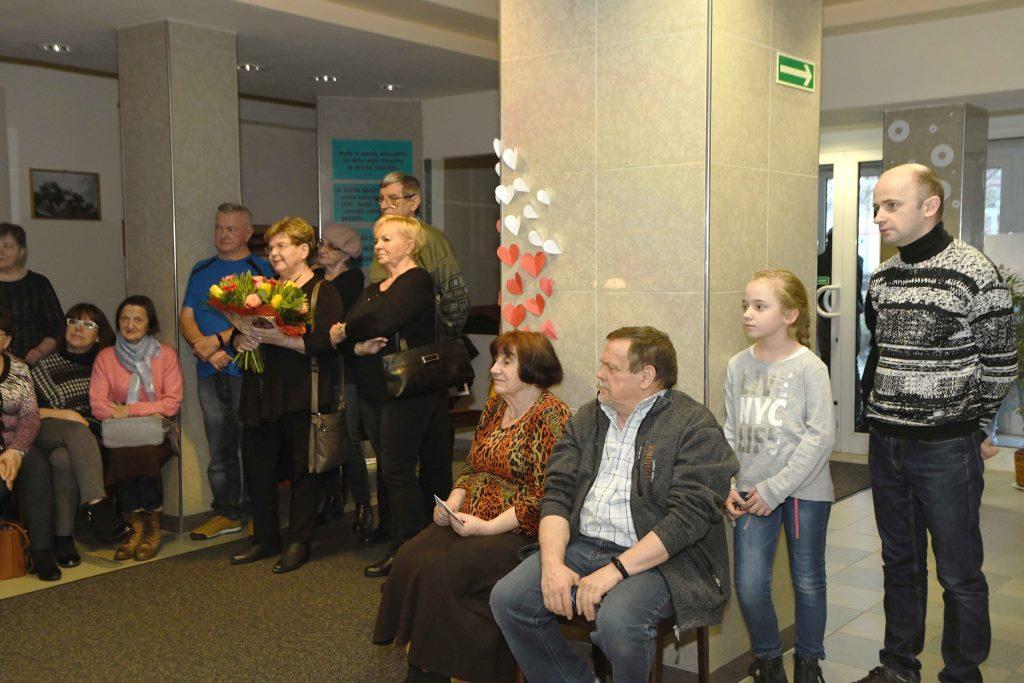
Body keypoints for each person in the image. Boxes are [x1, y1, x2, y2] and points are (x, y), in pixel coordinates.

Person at [491, 326, 739, 682]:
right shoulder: (588, 417)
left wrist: (615, 571)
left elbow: (686, 520)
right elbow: (557, 493)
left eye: (611, 367)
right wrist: (552, 564)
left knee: (619, 622)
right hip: (583, 543)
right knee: (509, 599)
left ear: (646, 376)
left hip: (660, 558)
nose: (599, 374)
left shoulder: (693, 425)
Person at [856, 164, 1016, 683]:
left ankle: (962, 674)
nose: (878, 217)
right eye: (876, 206)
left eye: (891, 205)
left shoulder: (974, 272)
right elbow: (879, 354)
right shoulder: (883, 278)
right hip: (887, 444)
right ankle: (898, 667)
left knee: (958, 572)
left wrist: (975, 426)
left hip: (946, 448)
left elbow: (1000, 363)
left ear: (930, 207)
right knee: (899, 563)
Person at [373, 331, 571, 683]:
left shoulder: (552, 415)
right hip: (470, 517)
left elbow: (544, 496)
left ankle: (434, 672)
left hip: (517, 530)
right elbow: (472, 468)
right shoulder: (495, 407)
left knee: (444, 570)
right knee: (410, 555)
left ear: (533, 369)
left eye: (506, 362)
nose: (493, 369)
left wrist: (486, 527)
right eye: (496, 360)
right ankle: (425, 664)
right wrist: (451, 504)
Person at [724, 270, 835, 683]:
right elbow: (731, 429)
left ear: (790, 315)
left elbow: (820, 437)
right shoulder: (737, 365)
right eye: (745, 306)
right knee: (750, 584)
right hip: (749, 491)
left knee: (808, 580)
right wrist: (728, 484)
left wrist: (776, 489)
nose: (747, 314)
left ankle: (808, 662)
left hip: (804, 492)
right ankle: (769, 661)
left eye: (759, 306)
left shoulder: (810, 368)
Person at [330, 215, 451, 578]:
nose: (378, 245)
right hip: (373, 390)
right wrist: (356, 345)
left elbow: (380, 322)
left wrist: (345, 330)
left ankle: (409, 551)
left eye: (387, 239)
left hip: (407, 391)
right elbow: (347, 339)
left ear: (410, 245)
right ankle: (400, 537)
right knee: (388, 468)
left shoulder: (417, 281)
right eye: (377, 239)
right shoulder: (374, 288)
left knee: (398, 469)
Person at [358, 172, 470, 546]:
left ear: (414, 201)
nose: (385, 205)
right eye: (381, 199)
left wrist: (437, 348)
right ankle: (394, 527)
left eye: (392, 199)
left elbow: (456, 299)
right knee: (393, 456)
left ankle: (434, 534)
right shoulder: (382, 243)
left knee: (432, 453)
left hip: (421, 366)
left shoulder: (431, 241)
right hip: (385, 366)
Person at [229, 217, 342, 574]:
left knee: (303, 470)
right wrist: (239, 338)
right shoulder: (262, 290)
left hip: (302, 393)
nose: (273, 253)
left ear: (304, 249)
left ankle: (298, 541)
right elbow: (242, 332)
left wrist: (286, 340)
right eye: (270, 247)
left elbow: (326, 342)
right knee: (258, 466)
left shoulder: (323, 291)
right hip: (261, 392)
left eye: (282, 246)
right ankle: (264, 537)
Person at [179, 203, 273, 541]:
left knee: (252, 443)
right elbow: (186, 316)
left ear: (247, 233)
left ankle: (257, 512)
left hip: (246, 371)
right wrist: (202, 346)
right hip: (208, 370)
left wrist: (219, 343)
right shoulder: (201, 268)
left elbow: (264, 319)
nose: (222, 234)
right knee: (219, 445)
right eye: (219, 227)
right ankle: (227, 511)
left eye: (230, 229)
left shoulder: (261, 269)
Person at [32, 304, 131, 568]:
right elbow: (32, 410)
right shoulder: (45, 364)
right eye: (73, 322)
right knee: (76, 431)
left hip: (87, 436)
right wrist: (67, 415)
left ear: (99, 335)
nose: (78, 328)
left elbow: (118, 402)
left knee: (63, 460)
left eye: (88, 324)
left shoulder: (106, 365)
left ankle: (63, 539)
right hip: (47, 427)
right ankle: (99, 506)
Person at [90, 295, 183, 562]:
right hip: (120, 436)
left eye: (138, 320)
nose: (130, 325)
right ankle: (136, 527)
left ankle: (151, 527)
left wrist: (129, 410)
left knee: (141, 455)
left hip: (159, 435)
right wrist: (148, 408)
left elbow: (172, 403)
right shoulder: (106, 357)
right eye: (125, 319)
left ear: (149, 323)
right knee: (124, 454)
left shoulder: (166, 355)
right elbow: (97, 405)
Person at [314, 223, 372, 536]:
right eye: (322, 243)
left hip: (344, 369)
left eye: (331, 246)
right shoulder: (317, 278)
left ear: (346, 254)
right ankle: (332, 499)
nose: (322, 249)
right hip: (320, 367)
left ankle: (363, 503)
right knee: (322, 433)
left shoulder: (352, 281)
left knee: (348, 437)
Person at [0, 305, 56, 580]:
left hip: (16, 444)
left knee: (38, 466)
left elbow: (31, 417)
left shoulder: (19, 368)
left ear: (7, 340)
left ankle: (41, 551)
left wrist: (15, 451)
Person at [0, 222, 64, 364]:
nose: (1, 251)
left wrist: (39, 351)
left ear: (21, 251)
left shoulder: (39, 283)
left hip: (33, 362)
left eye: (8, 246)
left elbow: (57, 327)